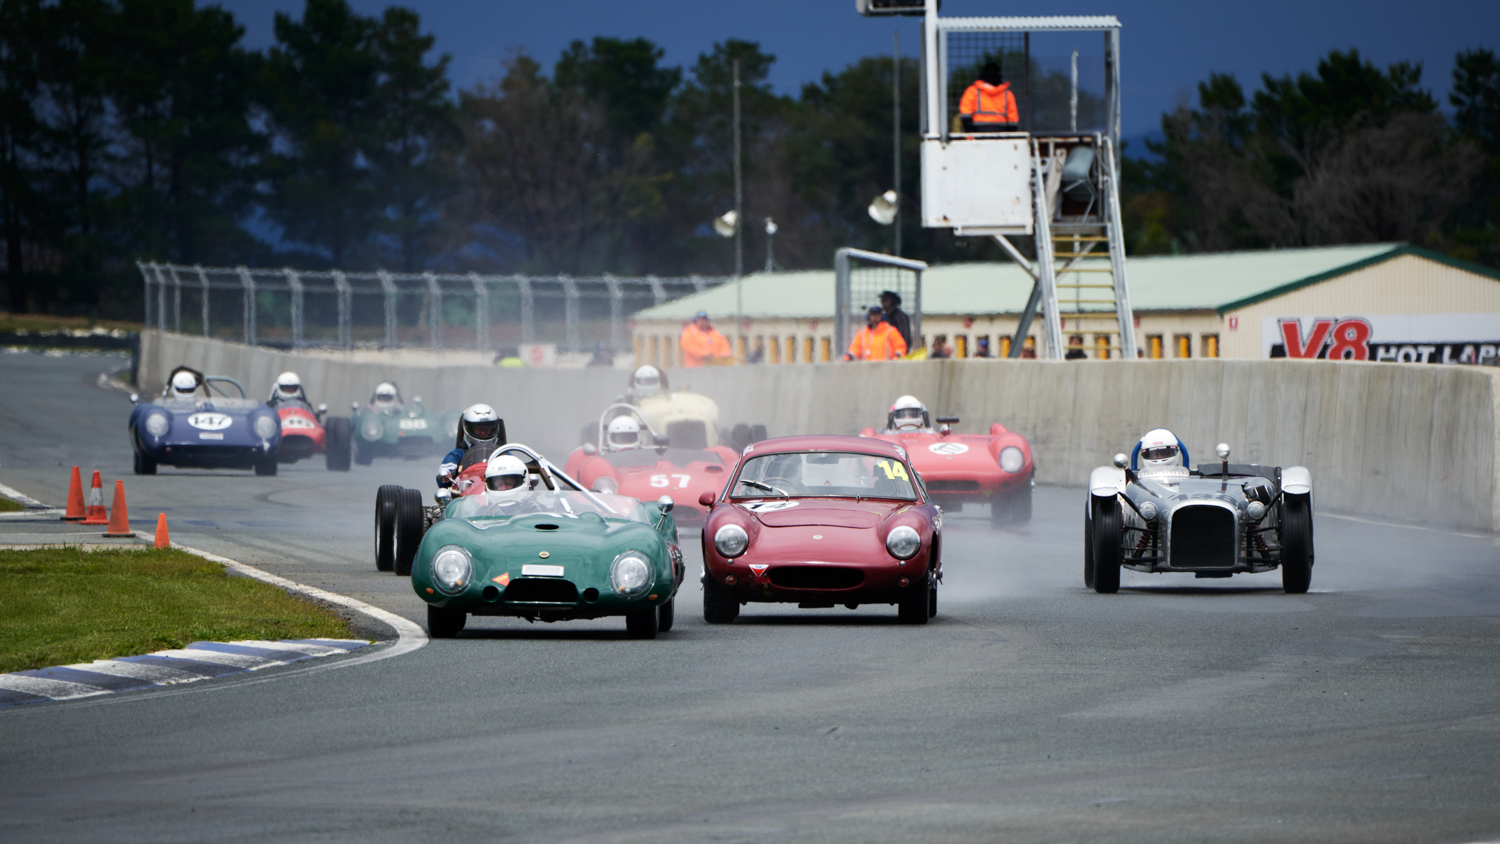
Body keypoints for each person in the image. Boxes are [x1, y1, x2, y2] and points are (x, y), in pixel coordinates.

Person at [437, 404, 503, 488]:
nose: (483, 433)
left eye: (487, 428)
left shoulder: (502, 454)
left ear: (493, 428)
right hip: (466, 493)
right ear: (469, 429)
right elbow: (442, 481)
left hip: (497, 491)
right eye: (479, 429)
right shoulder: (457, 455)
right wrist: (453, 473)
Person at [958, 62, 1019, 132]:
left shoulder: (972, 91)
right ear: (999, 76)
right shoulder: (1008, 94)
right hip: (1001, 134)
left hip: (977, 132)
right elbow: (1013, 120)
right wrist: (1009, 136)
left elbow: (966, 114)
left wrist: (970, 133)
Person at [844, 306, 908, 361]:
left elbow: (900, 347)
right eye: (873, 315)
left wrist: (896, 357)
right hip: (867, 368)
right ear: (868, 317)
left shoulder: (890, 330)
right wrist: (850, 356)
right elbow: (855, 348)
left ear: (882, 317)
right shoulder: (863, 332)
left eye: (877, 315)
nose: (875, 318)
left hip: (886, 368)